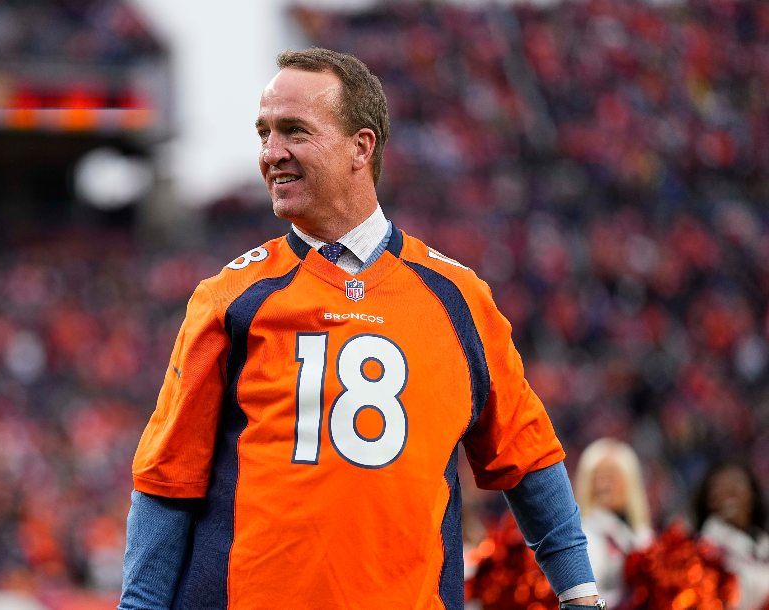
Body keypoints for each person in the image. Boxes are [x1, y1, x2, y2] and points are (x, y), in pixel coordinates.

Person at [118, 48, 602, 610]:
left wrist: (579, 593)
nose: (272, 153)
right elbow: (166, 483)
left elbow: (528, 456)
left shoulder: (459, 298)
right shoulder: (229, 298)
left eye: (294, 131)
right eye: (263, 133)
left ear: (361, 146)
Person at [572, 438, 654, 603]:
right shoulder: (582, 535)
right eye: (597, 477)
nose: (604, 486)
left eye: (611, 476)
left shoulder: (642, 534)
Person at [694, 460, 769, 610]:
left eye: (737, 484)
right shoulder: (701, 550)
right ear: (708, 501)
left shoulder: (763, 542)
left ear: (753, 495)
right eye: (719, 488)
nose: (729, 492)